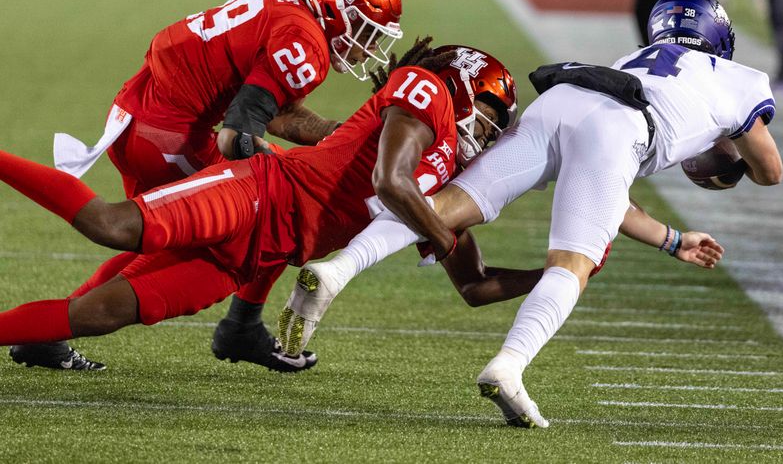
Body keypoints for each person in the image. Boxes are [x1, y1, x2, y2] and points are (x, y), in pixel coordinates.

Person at [280, 0, 783, 428]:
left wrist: (673, 240)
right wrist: (731, 152)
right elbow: (771, 171)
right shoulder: (737, 78)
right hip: (622, 129)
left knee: (445, 206)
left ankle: (337, 270)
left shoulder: (640, 57)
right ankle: (509, 364)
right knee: (572, 267)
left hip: (566, 99)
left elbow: (605, 190)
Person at [0, 40, 518, 368]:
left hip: (260, 251)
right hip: (255, 194)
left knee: (101, 314)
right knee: (110, 225)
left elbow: (474, 285)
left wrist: (565, 273)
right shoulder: (424, 90)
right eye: (490, 113)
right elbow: (391, 182)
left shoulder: (446, 167)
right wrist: (443, 231)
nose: (490, 133)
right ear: (461, 86)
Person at [8, 0, 403, 372]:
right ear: (334, 9)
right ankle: (52, 331)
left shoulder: (290, 1)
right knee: (262, 212)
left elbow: (274, 110)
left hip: (147, 108)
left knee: (203, 228)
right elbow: (235, 137)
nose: (371, 47)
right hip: (166, 134)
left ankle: (241, 324)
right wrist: (265, 166)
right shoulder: (304, 45)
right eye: (364, 30)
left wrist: (342, 137)